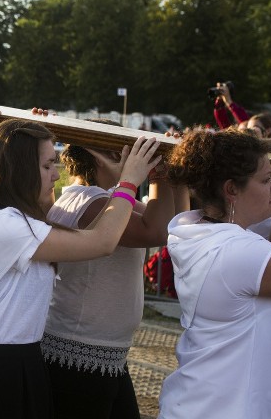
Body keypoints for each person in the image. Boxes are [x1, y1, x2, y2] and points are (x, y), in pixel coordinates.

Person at [0, 120, 160, 418]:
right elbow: (102, 242)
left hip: (17, 361)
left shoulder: (12, 218)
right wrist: (128, 182)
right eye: (47, 165)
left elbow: (88, 234)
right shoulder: (3, 224)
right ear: (20, 169)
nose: (56, 174)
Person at [40, 119, 180, 419]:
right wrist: (156, 177)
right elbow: (153, 231)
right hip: (79, 351)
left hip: (100, 349)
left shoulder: (104, 197)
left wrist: (171, 174)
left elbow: (170, 227)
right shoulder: (87, 200)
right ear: (102, 155)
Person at [158, 129, 271, 418]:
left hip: (201, 402)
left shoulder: (194, 230)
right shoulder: (237, 252)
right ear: (231, 189)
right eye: (266, 180)